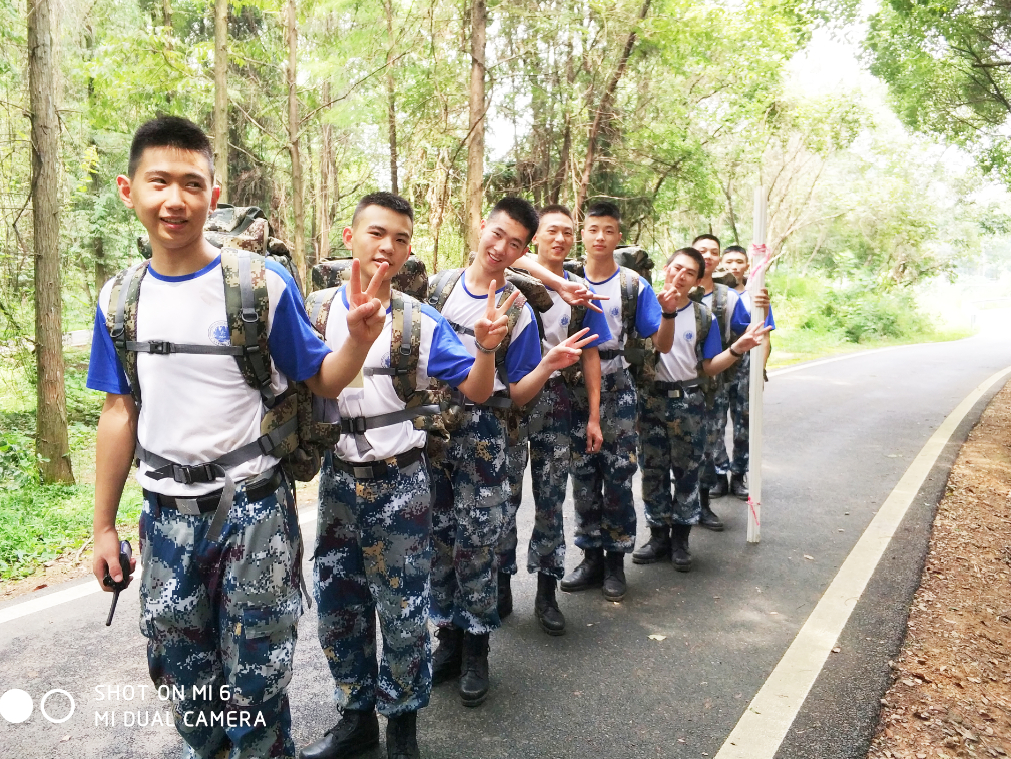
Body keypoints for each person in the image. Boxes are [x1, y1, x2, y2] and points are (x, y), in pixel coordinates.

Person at [87, 116, 387, 759]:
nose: (175, 200)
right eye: (159, 182)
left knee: (257, 677)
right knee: (184, 677)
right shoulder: (121, 300)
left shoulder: (258, 287)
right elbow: (119, 412)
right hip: (164, 517)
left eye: (192, 184)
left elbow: (323, 380)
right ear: (128, 189)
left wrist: (357, 339)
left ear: (213, 196)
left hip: (252, 511)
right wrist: (103, 527)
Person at [301, 193, 513, 759]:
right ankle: (355, 717)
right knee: (339, 603)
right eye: (376, 233)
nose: (387, 248)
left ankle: (402, 725)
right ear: (350, 239)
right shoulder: (313, 311)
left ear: (408, 251)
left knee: (402, 608)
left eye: (399, 239)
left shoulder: (420, 320)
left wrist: (488, 349)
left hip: (400, 484)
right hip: (339, 481)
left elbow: (476, 389)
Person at [426, 197, 596, 707]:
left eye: (516, 243)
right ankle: (448, 641)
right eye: (497, 234)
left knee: (477, 543)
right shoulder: (439, 288)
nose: (501, 248)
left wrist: (549, 365)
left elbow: (518, 392)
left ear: (524, 250)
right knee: (438, 538)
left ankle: (476, 646)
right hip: (433, 438)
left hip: (484, 439)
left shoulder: (520, 310)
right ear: (481, 227)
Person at [495, 204, 612, 635]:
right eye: (551, 232)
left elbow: (593, 353)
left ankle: (547, 591)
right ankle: (500, 585)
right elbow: (516, 257)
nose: (560, 239)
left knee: (550, 499)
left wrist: (595, 416)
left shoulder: (582, 291)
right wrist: (557, 283)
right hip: (508, 403)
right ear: (535, 238)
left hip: (558, 402)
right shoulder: (509, 274)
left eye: (567, 232)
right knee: (503, 498)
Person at [560, 202, 677, 602]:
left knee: (618, 475)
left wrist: (670, 313)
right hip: (574, 388)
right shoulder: (565, 278)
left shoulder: (632, 285)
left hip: (618, 389)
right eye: (593, 229)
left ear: (618, 236)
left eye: (608, 230)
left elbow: (659, 341)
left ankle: (615, 562)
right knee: (583, 476)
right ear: (583, 233)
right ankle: (589, 557)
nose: (599, 238)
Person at [632, 248, 771, 570]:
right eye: (676, 268)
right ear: (666, 268)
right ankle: (657, 536)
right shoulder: (643, 308)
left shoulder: (702, 316)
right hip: (650, 400)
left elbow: (709, 367)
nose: (680, 277)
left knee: (686, 472)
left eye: (689, 273)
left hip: (688, 403)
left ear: (697, 280)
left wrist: (738, 347)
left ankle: (681, 539)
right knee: (652, 472)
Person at [691, 234, 770, 529]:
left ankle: (724, 484)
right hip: (681, 380)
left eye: (714, 251)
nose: (708, 256)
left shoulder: (731, 298)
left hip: (720, 376)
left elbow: (754, 330)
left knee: (723, 432)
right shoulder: (676, 287)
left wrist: (760, 304)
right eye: (702, 251)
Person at [720, 245, 776, 499]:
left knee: (745, 423)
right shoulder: (715, 294)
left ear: (746, 266)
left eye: (739, 261)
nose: (734, 266)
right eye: (729, 261)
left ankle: (738, 475)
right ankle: (718, 476)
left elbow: (765, 338)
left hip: (746, 365)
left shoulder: (756, 297)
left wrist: (759, 371)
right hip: (720, 361)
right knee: (714, 423)